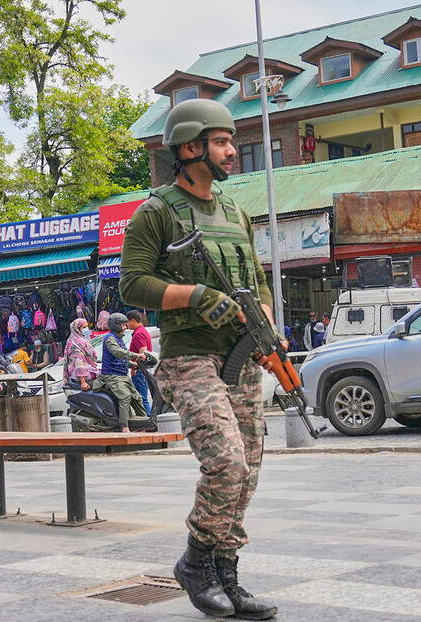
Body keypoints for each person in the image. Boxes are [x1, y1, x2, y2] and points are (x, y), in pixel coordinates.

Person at [119, 98, 278, 619]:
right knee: (226, 460)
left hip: (242, 358)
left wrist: (266, 327)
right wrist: (194, 295)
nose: (232, 151)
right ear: (190, 148)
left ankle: (226, 573)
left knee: (248, 471)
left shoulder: (236, 212)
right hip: (189, 357)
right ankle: (195, 561)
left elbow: (256, 281)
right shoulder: (157, 212)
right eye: (222, 142)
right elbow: (131, 285)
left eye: (232, 141)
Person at [90, 313, 148, 432]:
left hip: (122, 376)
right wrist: (136, 355)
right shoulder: (110, 338)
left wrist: (133, 364)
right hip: (112, 376)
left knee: (137, 398)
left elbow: (121, 359)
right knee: (125, 397)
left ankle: (144, 424)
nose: (125, 327)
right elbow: (118, 352)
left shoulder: (119, 339)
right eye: (123, 325)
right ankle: (124, 427)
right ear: (116, 325)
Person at [126, 310, 153, 416]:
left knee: (141, 398)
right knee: (141, 397)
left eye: (128, 322)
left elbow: (142, 354)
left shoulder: (138, 334)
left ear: (133, 320)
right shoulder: (142, 331)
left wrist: (135, 368)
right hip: (142, 370)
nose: (127, 325)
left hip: (140, 371)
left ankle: (148, 420)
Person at [63, 318, 99, 390]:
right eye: (84, 327)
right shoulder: (77, 343)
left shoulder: (80, 339)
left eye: (87, 326)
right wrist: (83, 382)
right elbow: (79, 362)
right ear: (77, 329)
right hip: (82, 376)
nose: (86, 329)